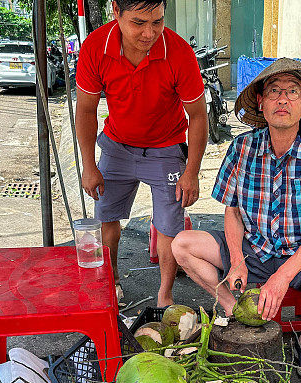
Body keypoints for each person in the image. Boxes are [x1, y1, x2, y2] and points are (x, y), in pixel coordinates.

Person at [171, 58, 301, 379]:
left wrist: (283, 276)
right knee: (182, 244)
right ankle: (233, 311)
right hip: (251, 248)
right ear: (261, 101)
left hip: (300, 258)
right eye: (274, 91)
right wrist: (238, 259)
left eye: (293, 91)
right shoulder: (242, 147)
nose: (283, 99)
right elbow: (233, 211)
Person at [75, 0, 208, 305]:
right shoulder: (96, 46)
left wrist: (191, 173)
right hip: (117, 146)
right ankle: (112, 283)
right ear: (115, 12)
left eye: (157, 22)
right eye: (138, 23)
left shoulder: (178, 52)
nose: (149, 33)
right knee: (106, 217)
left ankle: (165, 295)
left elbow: (198, 116)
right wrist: (88, 166)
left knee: (168, 225)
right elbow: (85, 109)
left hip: (166, 148)